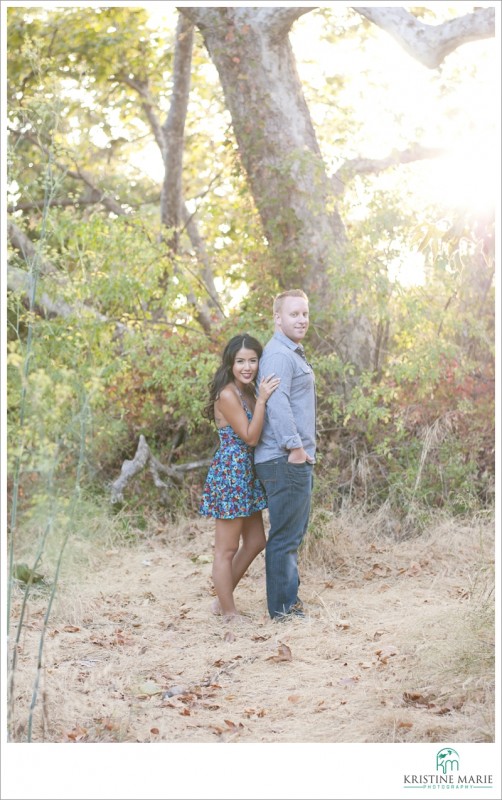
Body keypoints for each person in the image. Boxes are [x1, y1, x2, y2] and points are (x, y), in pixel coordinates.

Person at [199, 334, 280, 620]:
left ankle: (221, 600)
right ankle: (229, 613)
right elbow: (249, 436)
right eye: (240, 361)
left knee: (257, 541)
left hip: (247, 473)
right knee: (226, 548)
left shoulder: (248, 390)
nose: (247, 366)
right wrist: (262, 402)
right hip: (232, 473)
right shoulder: (228, 394)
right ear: (230, 363)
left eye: (253, 360)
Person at [254, 290, 316, 620]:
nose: (302, 319)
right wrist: (295, 447)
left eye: (304, 313)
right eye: (294, 314)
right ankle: (283, 612)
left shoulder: (289, 353)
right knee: (285, 537)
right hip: (284, 457)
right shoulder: (279, 355)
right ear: (278, 318)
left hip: (288, 457)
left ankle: (288, 603)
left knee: (290, 534)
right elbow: (277, 405)